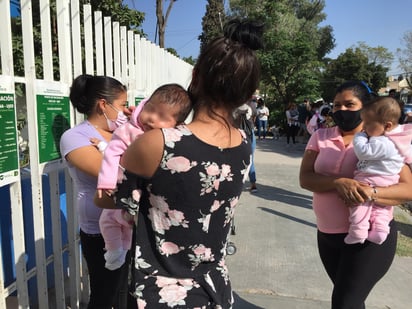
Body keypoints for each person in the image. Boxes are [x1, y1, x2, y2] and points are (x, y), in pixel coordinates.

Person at [96, 18, 263, 308]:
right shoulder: (241, 144)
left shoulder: (158, 142)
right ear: (246, 93)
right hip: (215, 288)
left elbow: (110, 200)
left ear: (195, 76)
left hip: (161, 292)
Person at [299, 80, 412, 309]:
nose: (342, 110)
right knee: (350, 300)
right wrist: (337, 182)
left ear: (365, 106)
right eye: (337, 105)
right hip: (327, 235)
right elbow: (306, 179)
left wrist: (370, 193)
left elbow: (408, 188)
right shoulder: (320, 136)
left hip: (367, 238)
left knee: (344, 302)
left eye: (349, 104)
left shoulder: (382, 141)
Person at [97, 84, 192, 270]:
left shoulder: (172, 139)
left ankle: (121, 250)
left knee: (130, 230)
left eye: (162, 117)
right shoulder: (128, 130)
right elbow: (111, 154)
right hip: (122, 190)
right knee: (108, 220)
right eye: (149, 109)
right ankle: (116, 251)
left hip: (147, 203)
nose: (152, 118)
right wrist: (107, 181)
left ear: (177, 125)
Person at [60, 74, 132, 309]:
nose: (125, 110)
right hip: (99, 230)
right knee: (104, 293)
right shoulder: (75, 137)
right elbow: (113, 174)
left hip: (131, 223)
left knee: (126, 290)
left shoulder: (124, 132)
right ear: (104, 104)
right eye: (122, 105)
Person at [346, 96, 412, 245]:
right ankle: (380, 231)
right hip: (387, 180)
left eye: (368, 124)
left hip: (371, 178)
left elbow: (363, 152)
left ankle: (358, 231)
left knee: (359, 204)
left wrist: (359, 136)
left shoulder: (382, 141)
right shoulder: (398, 141)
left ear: (387, 126)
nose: (364, 128)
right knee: (382, 208)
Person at [233, 98, 258, 192]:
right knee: (250, 159)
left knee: (235, 159)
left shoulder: (234, 108)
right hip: (250, 134)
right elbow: (255, 114)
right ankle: (253, 184)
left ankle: (235, 183)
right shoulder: (249, 107)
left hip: (237, 133)